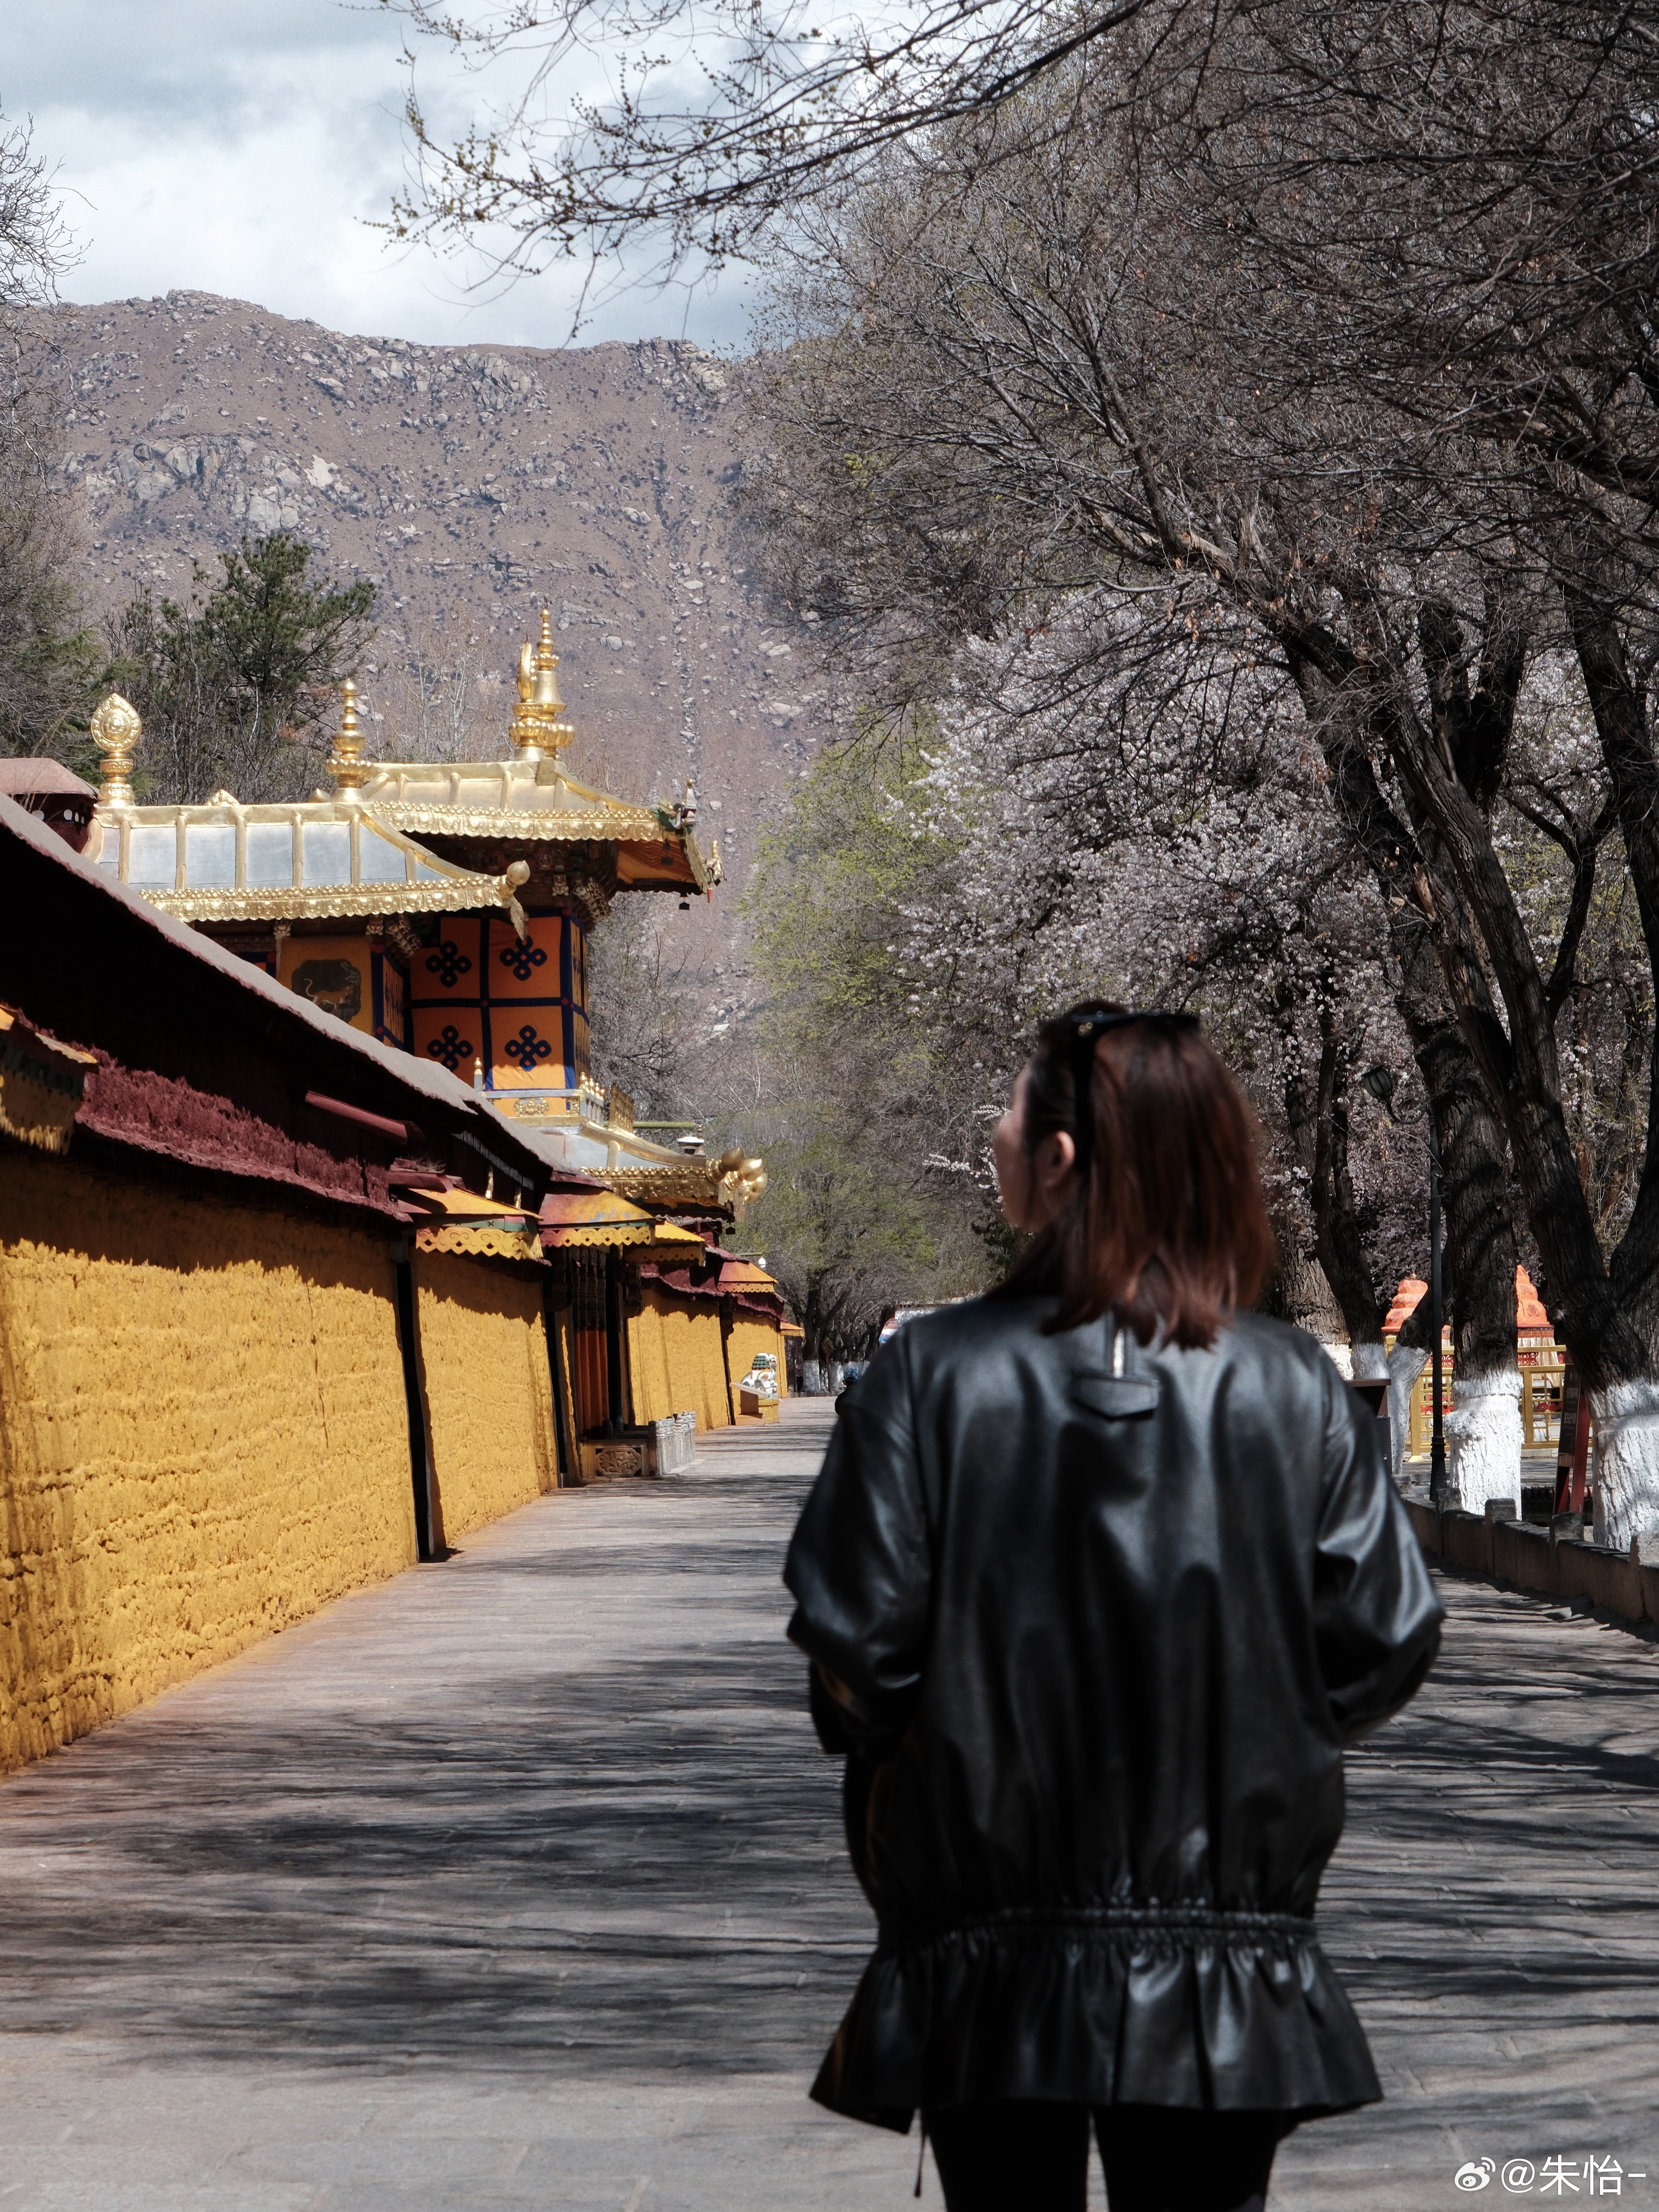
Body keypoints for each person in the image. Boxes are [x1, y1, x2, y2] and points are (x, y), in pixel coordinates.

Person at [783, 1002, 1442, 2212]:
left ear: (1063, 1159)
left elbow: (856, 1642)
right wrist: (1258, 1720)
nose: (993, 1133)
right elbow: (1385, 1632)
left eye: (1009, 1111)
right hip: (1225, 1957)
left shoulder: (928, 1376)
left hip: (988, 1946)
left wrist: (948, 1750)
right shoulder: (1293, 1387)